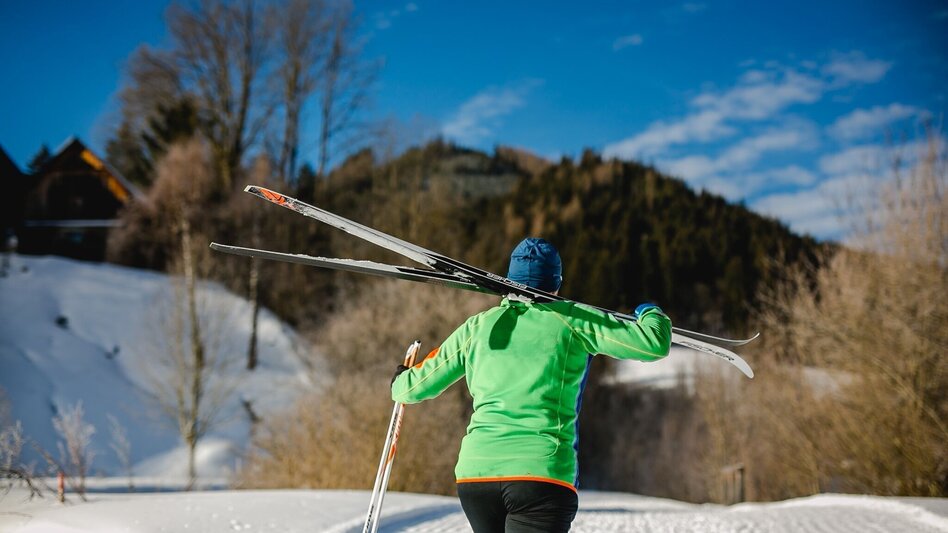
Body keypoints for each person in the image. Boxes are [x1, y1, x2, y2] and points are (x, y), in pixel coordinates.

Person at [391, 237, 672, 533]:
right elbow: (654, 343)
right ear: (556, 282)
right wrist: (649, 311)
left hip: (477, 477)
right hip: (540, 474)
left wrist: (401, 377)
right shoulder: (573, 320)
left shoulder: (478, 327)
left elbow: (410, 389)